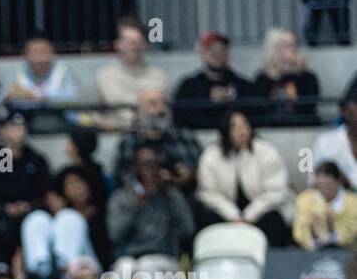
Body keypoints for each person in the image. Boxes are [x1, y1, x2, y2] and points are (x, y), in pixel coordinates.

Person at [195, 111, 290, 245]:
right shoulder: (211, 155)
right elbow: (208, 193)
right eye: (234, 127)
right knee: (206, 216)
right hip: (225, 212)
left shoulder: (266, 151)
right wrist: (233, 216)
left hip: (259, 211)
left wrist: (248, 216)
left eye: (244, 125)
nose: (241, 131)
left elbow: (276, 192)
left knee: (274, 219)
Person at [0, 106, 52, 267]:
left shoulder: (36, 160)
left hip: (30, 215)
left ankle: (39, 269)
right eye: (12, 126)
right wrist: (4, 208)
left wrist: (28, 206)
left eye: (21, 126)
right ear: (0, 130)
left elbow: (43, 192)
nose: (18, 130)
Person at [106, 148, 194, 268]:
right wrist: (135, 206)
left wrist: (168, 196)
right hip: (128, 256)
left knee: (146, 266)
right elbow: (115, 235)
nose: (150, 169)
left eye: (154, 164)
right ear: (134, 167)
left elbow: (187, 230)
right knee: (124, 267)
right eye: (145, 165)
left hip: (164, 256)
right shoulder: (121, 197)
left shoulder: (170, 194)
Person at [111, 89, 201, 193]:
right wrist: (150, 181)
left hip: (183, 197)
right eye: (152, 104)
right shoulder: (129, 141)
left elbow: (201, 170)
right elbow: (121, 179)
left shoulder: (184, 136)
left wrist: (188, 175)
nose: (160, 109)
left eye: (164, 104)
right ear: (139, 111)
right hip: (143, 201)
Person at [95, 16, 170, 131]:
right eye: (129, 41)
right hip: (117, 136)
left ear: (144, 44)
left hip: (154, 135)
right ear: (117, 44)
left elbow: (161, 113)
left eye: (138, 41)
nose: (134, 46)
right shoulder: (106, 76)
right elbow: (117, 112)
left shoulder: (158, 76)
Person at [174, 31, 258, 128]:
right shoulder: (189, 86)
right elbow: (179, 116)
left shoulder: (243, 85)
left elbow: (256, 114)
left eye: (221, 50)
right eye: (211, 51)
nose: (217, 55)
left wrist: (232, 100)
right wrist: (208, 100)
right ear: (202, 53)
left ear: (228, 53)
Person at [0, 31, 79, 110]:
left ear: (52, 53)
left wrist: (36, 97)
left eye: (43, 51)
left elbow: (73, 99)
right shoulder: (16, 72)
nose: (39, 58)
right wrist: (8, 97)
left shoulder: (63, 71)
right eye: (34, 52)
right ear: (26, 55)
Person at [254, 28, 320, 125]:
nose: (292, 49)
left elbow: (309, 107)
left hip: (301, 127)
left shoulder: (307, 77)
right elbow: (260, 109)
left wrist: (296, 72)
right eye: (286, 45)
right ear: (274, 48)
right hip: (272, 127)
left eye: (294, 44)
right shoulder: (263, 78)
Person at [293, 161, 357, 250]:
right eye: (320, 185)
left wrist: (331, 227)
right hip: (310, 254)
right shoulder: (304, 200)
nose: (324, 190)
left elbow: (352, 235)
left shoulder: (353, 202)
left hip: (346, 253)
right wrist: (313, 235)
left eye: (328, 185)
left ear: (338, 182)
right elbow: (299, 233)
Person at [312, 90, 357, 188]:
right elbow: (315, 184)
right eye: (353, 111)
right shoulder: (326, 142)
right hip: (337, 201)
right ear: (345, 112)